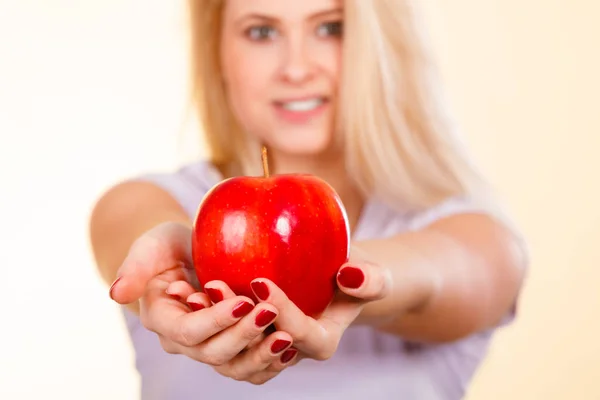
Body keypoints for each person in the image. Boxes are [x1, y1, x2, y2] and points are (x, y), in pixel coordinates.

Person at [89, 0, 529, 399]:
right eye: (262, 32)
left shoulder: (477, 235)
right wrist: (183, 262)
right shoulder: (146, 201)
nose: (296, 69)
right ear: (217, 52)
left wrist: (351, 282)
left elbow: (433, 272)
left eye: (331, 28)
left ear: (384, 47)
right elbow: (144, 235)